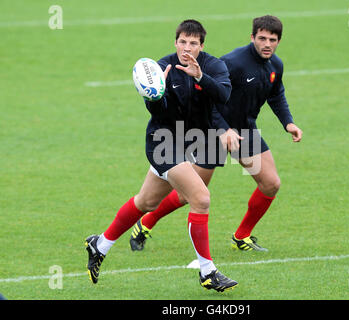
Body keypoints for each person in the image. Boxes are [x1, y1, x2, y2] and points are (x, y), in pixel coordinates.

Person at [85, 19, 238, 292]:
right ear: (175, 42)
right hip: (163, 142)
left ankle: (100, 244)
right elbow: (158, 113)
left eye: (193, 43)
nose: (187, 48)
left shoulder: (214, 66)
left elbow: (224, 96)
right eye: (182, 42)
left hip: (192, 142)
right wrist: (156, 96)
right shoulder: (161, 67)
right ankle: (208, 271)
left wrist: (200, 77)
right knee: (201, 198)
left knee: (146, 202)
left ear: (202, 46)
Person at [129, 15, 303, 252]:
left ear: (279, 41)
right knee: (190, 194)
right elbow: (208, 96)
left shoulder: (275, 66)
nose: (267, 44)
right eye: (261, 38)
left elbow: (275, 93)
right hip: (211, 131)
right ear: (252, 37)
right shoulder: (233, 62)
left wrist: (288, 123)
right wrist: (223, 129)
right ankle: (146, 223)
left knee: (270, 184)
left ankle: (242, 236)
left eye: (272, 40)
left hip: (244, 133)